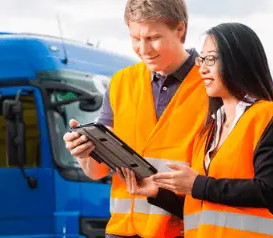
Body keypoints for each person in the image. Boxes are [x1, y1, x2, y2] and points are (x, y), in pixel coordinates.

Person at [118, 22, 273, 238]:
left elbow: (269, 192)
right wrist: (158, 193)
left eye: (210, 59)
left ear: (237, 61)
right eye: (201, 59)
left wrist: (197, 184)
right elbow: (201, 207)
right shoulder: (209, 129)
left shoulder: (268, 116)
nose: (202, 68)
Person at [63, 0, 209, 237]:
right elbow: (96, 171)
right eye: (135, 38)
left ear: (179, 30)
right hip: (122, 231)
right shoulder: (121, 83)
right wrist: (84, 154)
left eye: (152, 38)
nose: (143, 49)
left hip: (183, 230)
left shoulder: (211, 83)